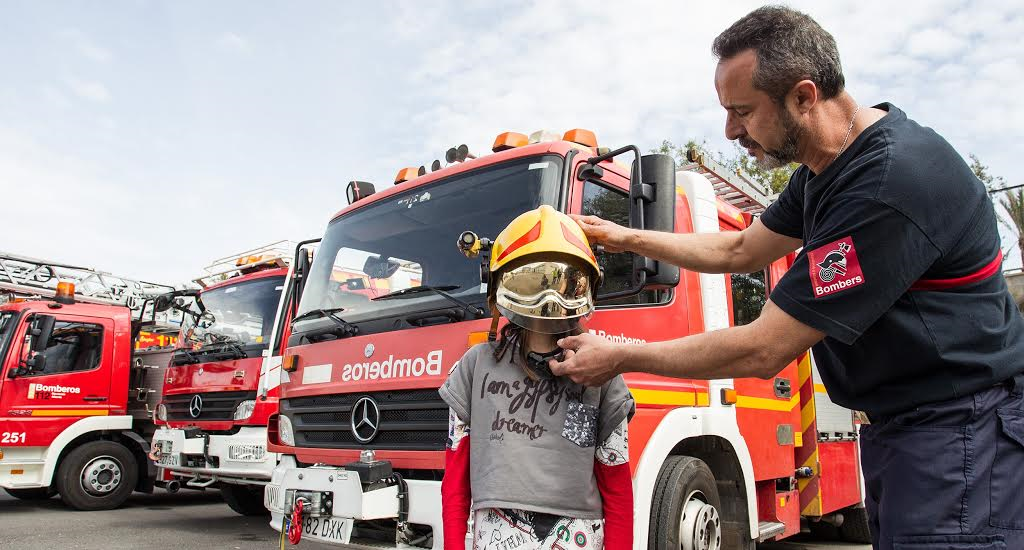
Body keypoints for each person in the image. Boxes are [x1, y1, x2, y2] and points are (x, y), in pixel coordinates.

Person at [550, 6, 1024, 550]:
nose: (730, 131)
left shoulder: (886, 185)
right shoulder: (827, 169)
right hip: (908, 429)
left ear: (803, 96)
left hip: (962, 429)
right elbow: (741, 246)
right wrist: (623, 236)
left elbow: (763, 348)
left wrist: (618, 355)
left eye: (743, 112)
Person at [439, 205, 635, 550]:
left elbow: (617, 487)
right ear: (501, 285)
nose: (550, 298)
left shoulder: (602, 374)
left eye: (565, 283)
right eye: (533, 280)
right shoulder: (473, 368)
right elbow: (455, 484)